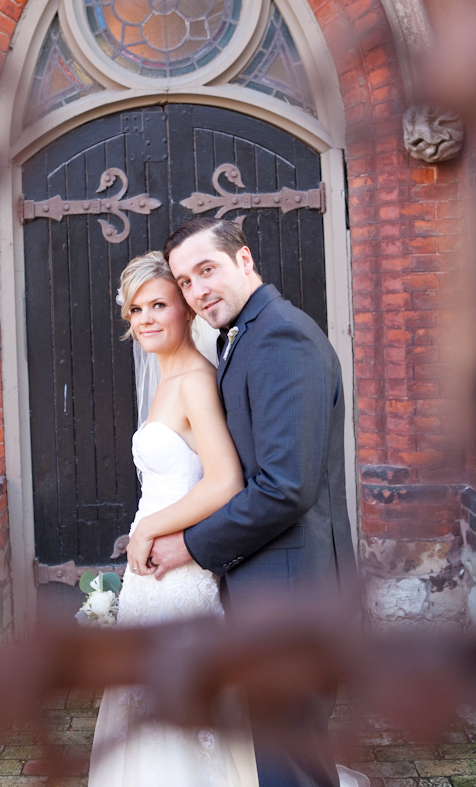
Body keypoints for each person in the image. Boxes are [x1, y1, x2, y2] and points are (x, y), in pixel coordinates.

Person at [146, 218, 358, 787]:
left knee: (291, 763)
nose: (197, 290)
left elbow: (285, 485)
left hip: (291, 595)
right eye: (186, 282)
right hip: (273, 587)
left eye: (206, 269)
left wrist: (190, 545)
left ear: (245, 259)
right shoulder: (248, 333)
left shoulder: (280, 336)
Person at [88, 250, 260, 787]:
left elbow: (224, 481)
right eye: (136, 309)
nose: (145, 319)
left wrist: (146, 529)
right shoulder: (164, 381)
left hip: (180, 566)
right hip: (152, 574)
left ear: (185, 309)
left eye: (159, 304)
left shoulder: (194, 381)